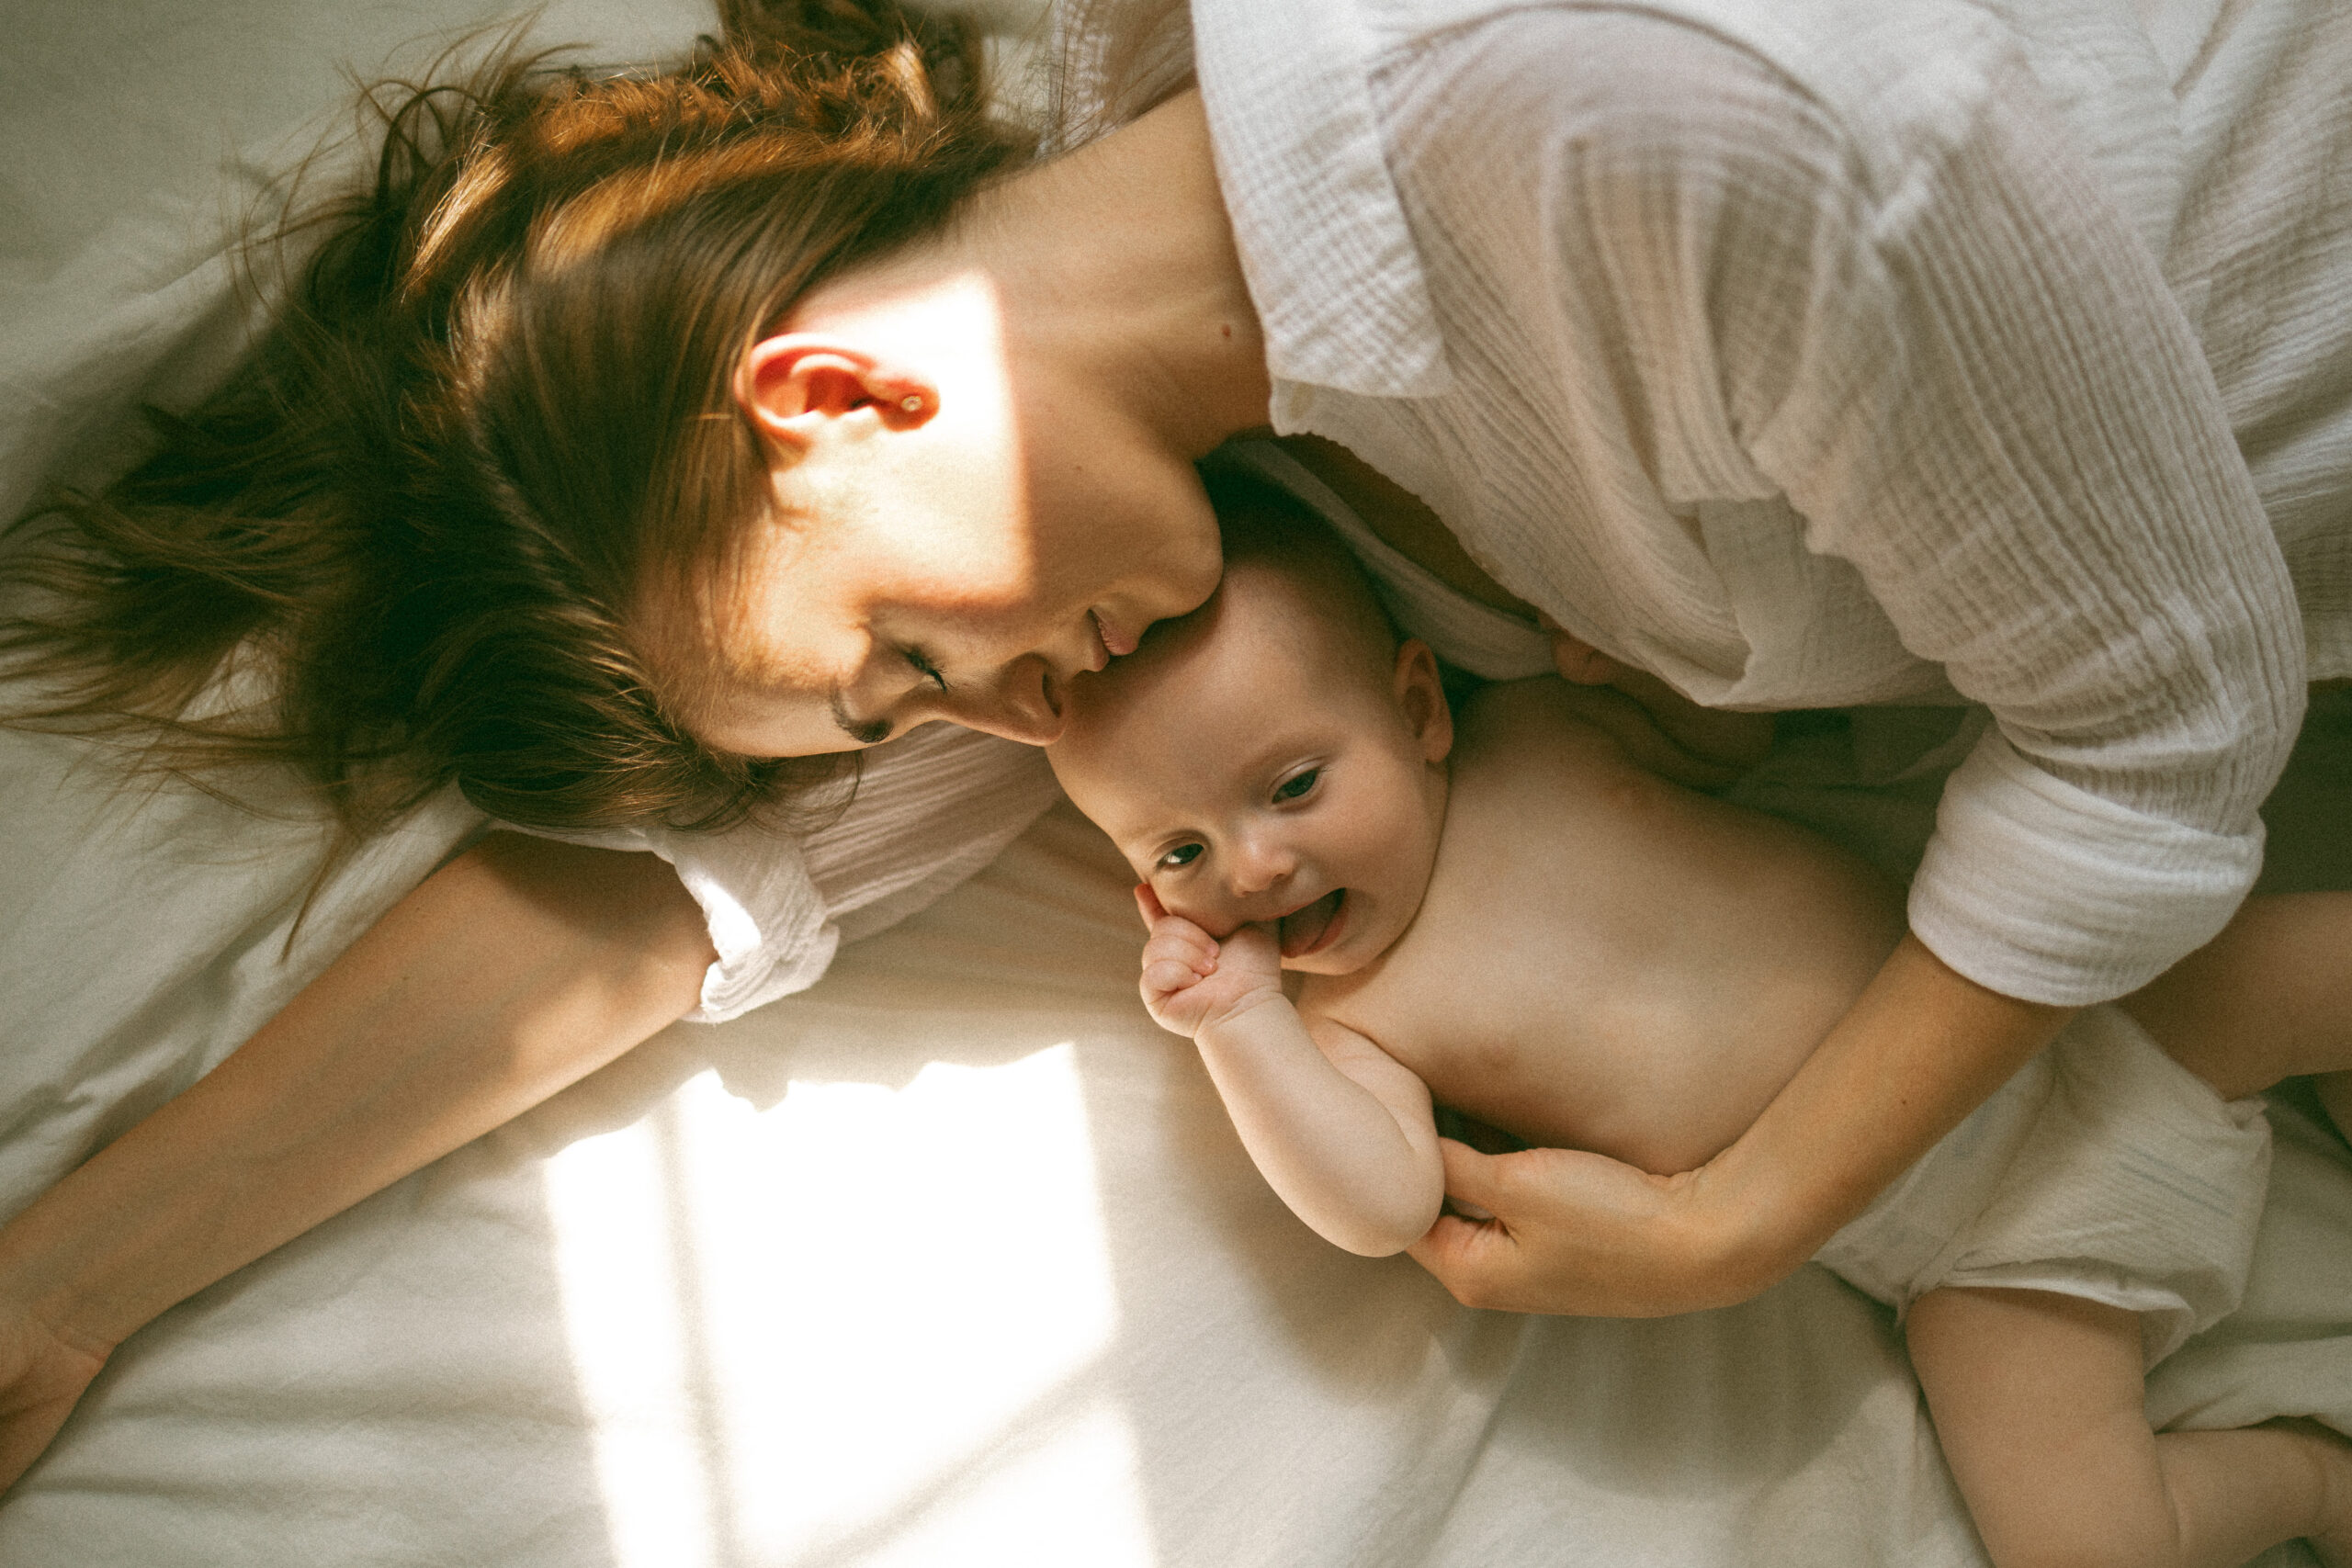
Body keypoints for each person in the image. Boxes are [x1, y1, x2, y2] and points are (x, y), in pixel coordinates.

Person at [4, 0, 2350, 1491]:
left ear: (828, 396)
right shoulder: (1122, 419)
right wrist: (69, 1286)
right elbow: (709, 897)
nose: (1006, 732)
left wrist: (1748, 1208)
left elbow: (2157, 751)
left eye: (893, 673)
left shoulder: (1646, 139)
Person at [1046, 494, 2352, 1568]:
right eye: (1181, 848)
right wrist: (1239, 1030)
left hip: (2095, 1019)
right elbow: (1380, 1204)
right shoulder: (1350, 1025)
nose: (1257, 865)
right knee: (2085, 1550)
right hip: (1986, 1254)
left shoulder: (1545, 735)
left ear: (1421, 710)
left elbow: (1768, 729)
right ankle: (2309, 1482)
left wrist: (1636, 655)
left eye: (1292, 786)